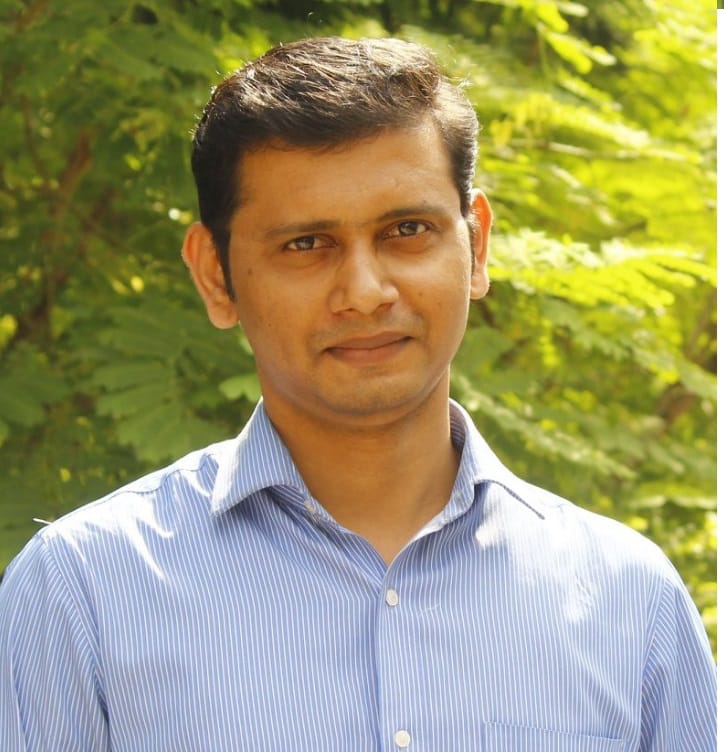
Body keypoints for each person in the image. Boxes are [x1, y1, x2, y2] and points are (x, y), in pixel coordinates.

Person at [0, 36, 715, 751]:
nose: (366, 292)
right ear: (216, 276)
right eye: (306, 244)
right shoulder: (83, 593)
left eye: (407, 230)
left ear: (476, 246)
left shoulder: (629, 601)